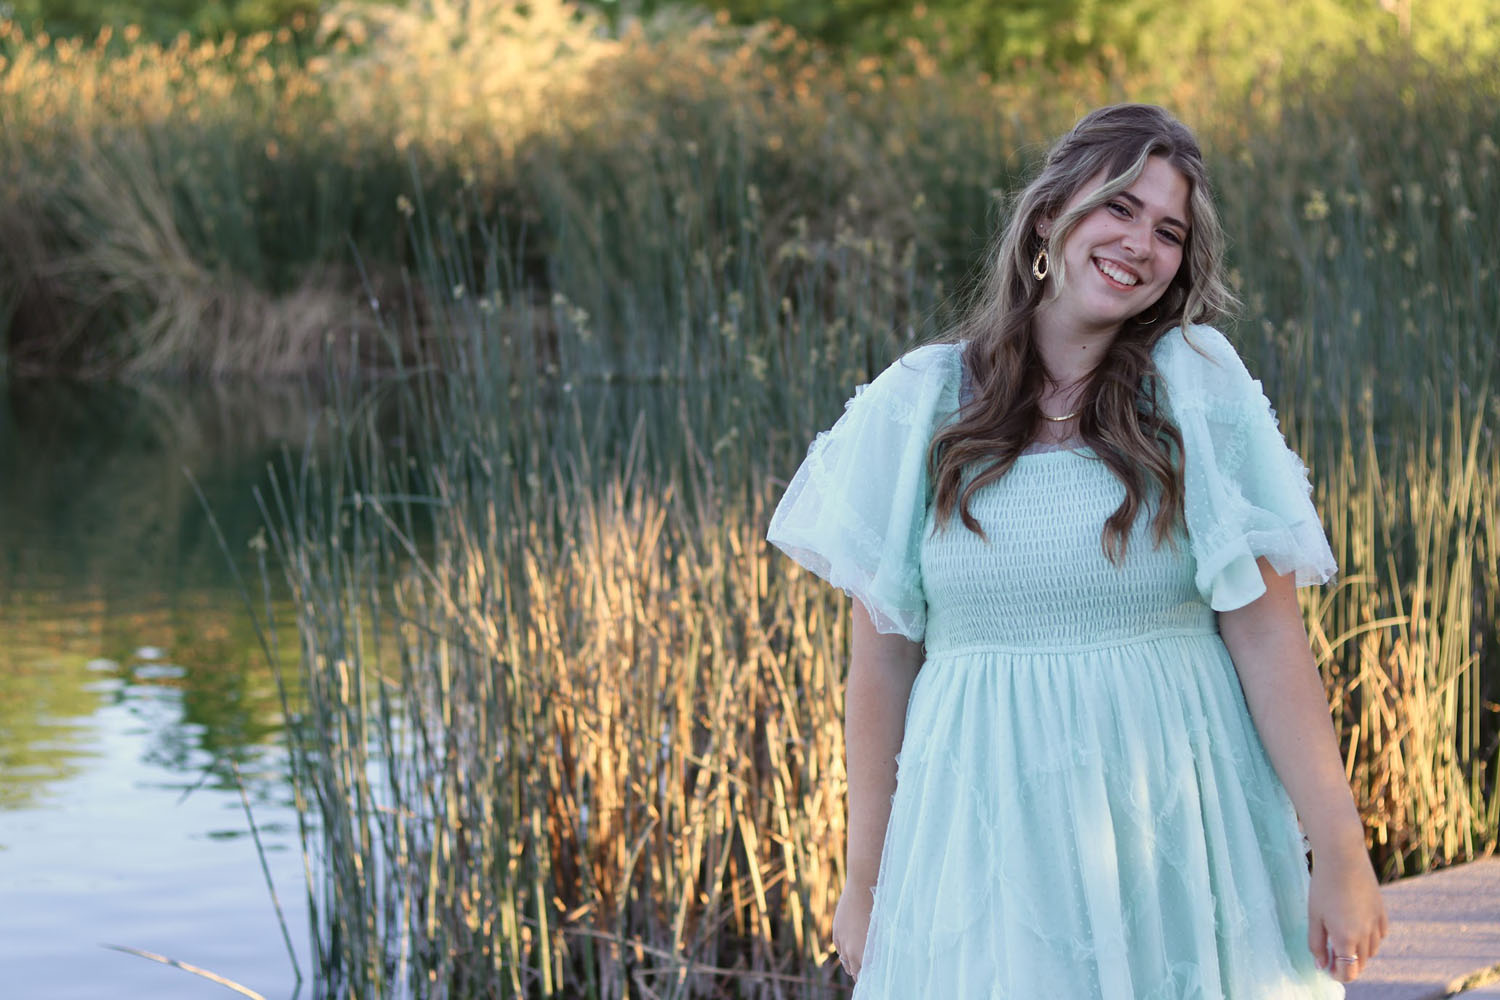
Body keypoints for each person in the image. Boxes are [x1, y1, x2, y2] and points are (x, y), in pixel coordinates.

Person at [765, 103, 1388, 998]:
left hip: (1174, 821)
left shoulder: (1196, 388)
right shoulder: (919, 404)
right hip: (986, 835)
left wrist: (1341, 851)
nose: (1142, 243)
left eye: (1169, 231)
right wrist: (865, 881)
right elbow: (884, 658)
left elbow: (1268, 637)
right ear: (1051, 214)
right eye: (1121, 207)